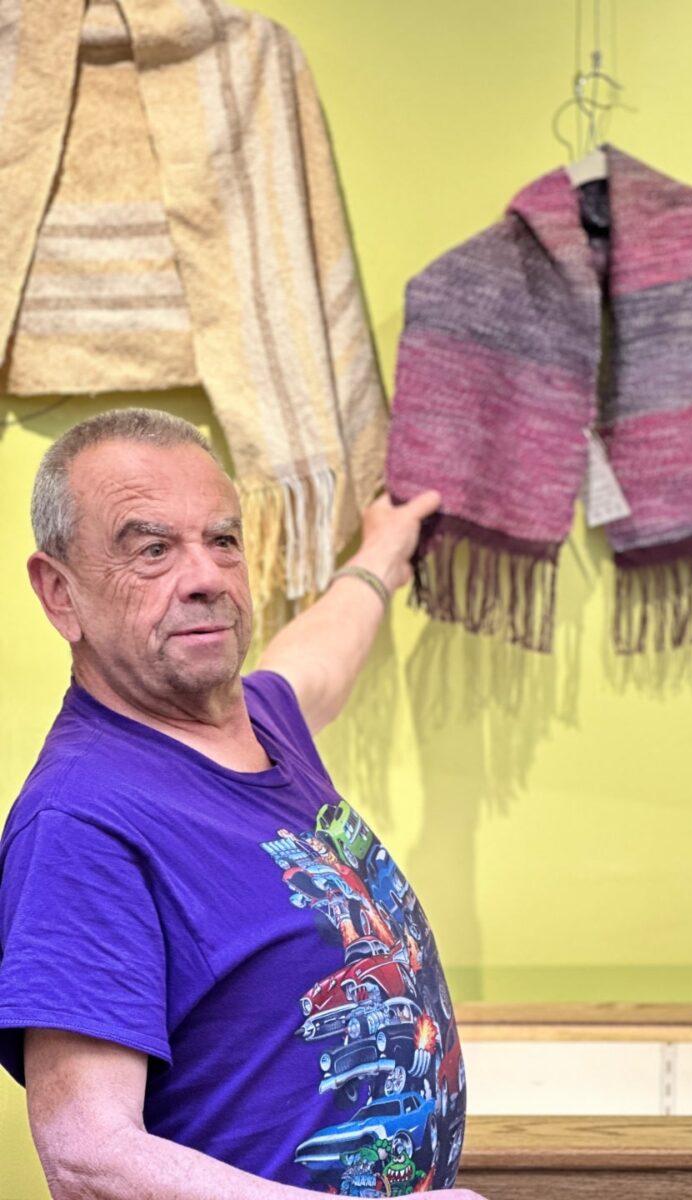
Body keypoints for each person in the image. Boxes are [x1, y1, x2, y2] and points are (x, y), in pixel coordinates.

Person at [0, 409, 485, 1200]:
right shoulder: (82, 824)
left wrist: (382, 555)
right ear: (61, 593)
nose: (204, 577)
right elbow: (87, 1156)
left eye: (222, 541)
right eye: (152, 550)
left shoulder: (260, 721)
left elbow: (318, 658)